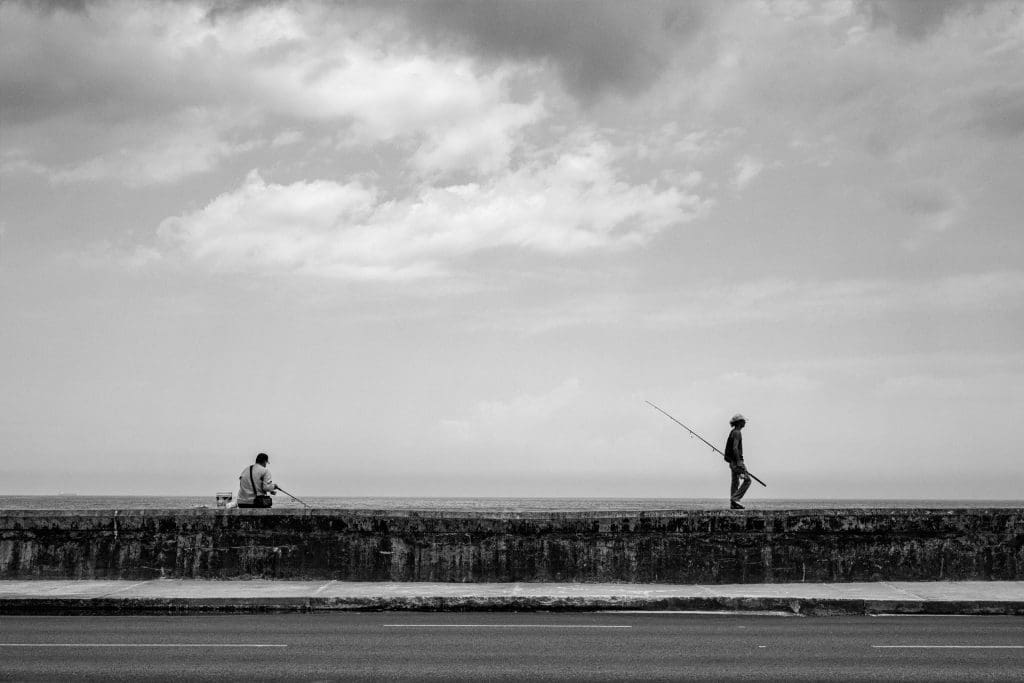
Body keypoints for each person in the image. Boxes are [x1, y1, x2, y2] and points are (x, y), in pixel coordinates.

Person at [724, 414, 751, 509]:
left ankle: (733, 504)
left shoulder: (732, 432)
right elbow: (735, 448)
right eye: (743, 421)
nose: (745, 423)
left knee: (735, 483)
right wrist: (739, 462)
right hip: (737, 461)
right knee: (747, 480)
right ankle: (735, 499)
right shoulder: (737, 433)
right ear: (739, 422)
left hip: (732, 462)